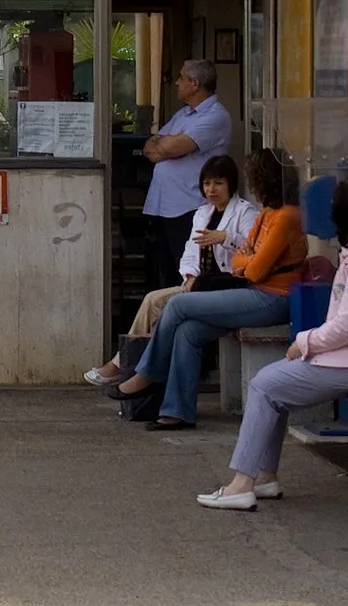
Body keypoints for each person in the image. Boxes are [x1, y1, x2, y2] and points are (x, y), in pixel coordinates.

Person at [200, 170, 348, 509]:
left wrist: (305, 342)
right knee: (272, 386)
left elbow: (347, 327)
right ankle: (265, 478)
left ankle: (242, 483)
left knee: (264, 386)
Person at [107, 149, 304, 429]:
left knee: (177, 305)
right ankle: (177, 411)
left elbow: (255, 269)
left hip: (273, 297)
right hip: (253, 291)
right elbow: (242, 259)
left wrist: (245, 259)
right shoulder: (267, 214)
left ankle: (148, 374)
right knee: (188, 331)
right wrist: (245, 259)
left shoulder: (284, 217)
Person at [85, 154, 258, 385]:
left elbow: (252, 247)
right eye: (207, 183)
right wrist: (188, 276)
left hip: (227, 288)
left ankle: (123, 364)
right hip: (199, 285)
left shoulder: (246, 212)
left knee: (154, 302)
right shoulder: (203, 213)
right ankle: (138, 370)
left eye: (218, 183)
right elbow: (189, 252)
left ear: (231, 184)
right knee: (159, 314)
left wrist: (225, 237)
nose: (211, 189)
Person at [140, 60, 232, 289]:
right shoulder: (183, 114)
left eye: (181, 78)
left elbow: (171, 147)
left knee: (182, 273)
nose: (176, 82)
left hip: (188, 207)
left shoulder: (215, 116)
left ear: (195, 83)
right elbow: (150, 147)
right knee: (158, 273)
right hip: (161, 206)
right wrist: (167, 144)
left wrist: (169, 144)